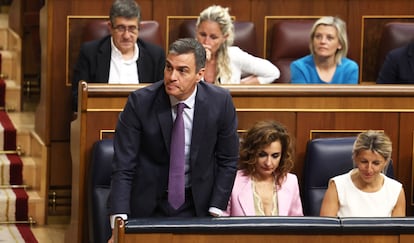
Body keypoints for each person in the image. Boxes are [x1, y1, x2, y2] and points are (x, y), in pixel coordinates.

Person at [107, 38, 239, 242]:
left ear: (200, 75)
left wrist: (216, 208)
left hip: (199, 205)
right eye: (169, 68)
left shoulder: (220, 102)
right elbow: (124, 165)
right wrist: (119, 223)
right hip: (148, 204)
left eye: (182, 70)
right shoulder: (140, 103)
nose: (172, 77)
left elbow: (228, 160)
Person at [71, 0, 165, 111]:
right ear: (110, 27)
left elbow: (162, 98)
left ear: (139, 28)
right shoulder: (90, 52)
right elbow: (78, 98)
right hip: (102, 120)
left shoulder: (155, 55)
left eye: (132, 28)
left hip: (142, 124)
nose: (126, 35)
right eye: (121, 28)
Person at [223, 120, 303, 216]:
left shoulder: (290, 182)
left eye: (275, 156)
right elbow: (223, 226)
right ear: (251, 152)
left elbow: (297, 226)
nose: (268, 163)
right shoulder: (233, 181)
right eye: (262, 155)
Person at [320, 130, 406, 217]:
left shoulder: (396, 190)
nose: (369, 169)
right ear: (355, 158)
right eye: (364, 161)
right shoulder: (337, 186)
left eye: (376, 163)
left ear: (386, 162)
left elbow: (397, 230)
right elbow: (325, 229)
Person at [195, 5, 280, 84]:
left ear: (224, 37)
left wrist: (241, 86)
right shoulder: (186, 56)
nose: (206, 42)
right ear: (196, 32)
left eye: (213, 37)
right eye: (202, 35)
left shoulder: (234, 55)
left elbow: (273, 72)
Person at [290, 16, 359, 84]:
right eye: (318, 36)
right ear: (312, 41)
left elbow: (348, 95)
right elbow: (301, 95)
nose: (322, 41)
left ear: (340, 44)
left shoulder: (350, 68)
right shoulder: (299, 67)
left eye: (329, 38)